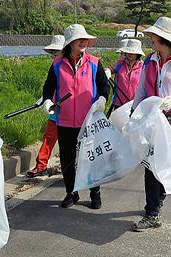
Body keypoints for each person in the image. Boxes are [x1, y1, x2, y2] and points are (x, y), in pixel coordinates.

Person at [131, 17, 171, 231]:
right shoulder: (150, 60)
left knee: (164, 164)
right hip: (152, 119)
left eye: (153, 36)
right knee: (151, 165)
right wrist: (134, 112)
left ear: (164, 39)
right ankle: (152, 212)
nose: (150, 39)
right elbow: (141, 89)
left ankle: (158, 199)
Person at [41, 24, 110, 209]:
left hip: (88, 120)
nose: (83, 42)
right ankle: (71, 192)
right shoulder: (57, 64)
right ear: (70, 43)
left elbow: (104, 85)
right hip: (65, 120)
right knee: (67, 159)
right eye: (79, 39)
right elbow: (49, 86)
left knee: (92, 157)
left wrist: (102, 99)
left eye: (85, 39)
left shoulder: (94, 62)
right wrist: (47, 100)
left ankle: (95, 192)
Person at [26, 35, 65, 177]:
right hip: (55, 109)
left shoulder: (72, 65)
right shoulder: (55, 64)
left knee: (71, 141)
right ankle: (41, 165)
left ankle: (69, 166)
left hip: (71, 110)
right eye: (54, 52)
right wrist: (44, 98)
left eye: (58, 51)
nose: (56, 54)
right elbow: (51, 86)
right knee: (49, 137)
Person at [111, 39, 144, 110]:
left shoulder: (143, 67)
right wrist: (107, 71)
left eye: (133, 52)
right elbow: (109, 69)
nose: (130, 54)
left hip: (136, 104)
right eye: (128, 52)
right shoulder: (119, 64)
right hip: (119, 103)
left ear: (138, 54)